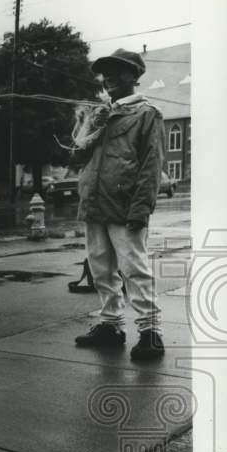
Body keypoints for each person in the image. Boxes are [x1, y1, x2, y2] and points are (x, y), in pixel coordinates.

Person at [70, 49, 165, 360]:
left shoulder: (146, 114)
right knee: (100, 268)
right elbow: (77, 158)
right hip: (94, 204)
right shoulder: (101, 113)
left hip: (124, 207)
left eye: (118, 71)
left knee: (133, 269)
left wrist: (141, 209)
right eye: (105, 71)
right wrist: (87, 126)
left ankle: (150, 332)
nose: (109, 76)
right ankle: (111, 325)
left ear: (134, 77)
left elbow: (151, 166)